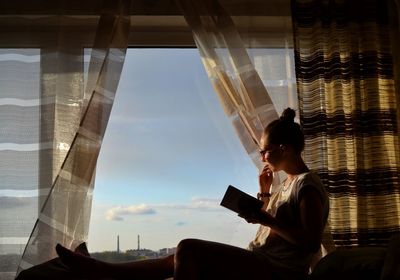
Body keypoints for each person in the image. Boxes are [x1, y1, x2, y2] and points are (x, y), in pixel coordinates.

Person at [56, 108, 329, 280]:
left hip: (278, 271)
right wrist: (265, 195)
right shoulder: (287, 184)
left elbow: (310, 243)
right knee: (175, 258)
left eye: (265, 150)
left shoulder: (307, 185)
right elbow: (275, 229)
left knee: (188, 248)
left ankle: (101, 271)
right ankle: (102, 270)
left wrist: (265, 219)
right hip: (262, 260)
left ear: (285, 148)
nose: (262, 156)